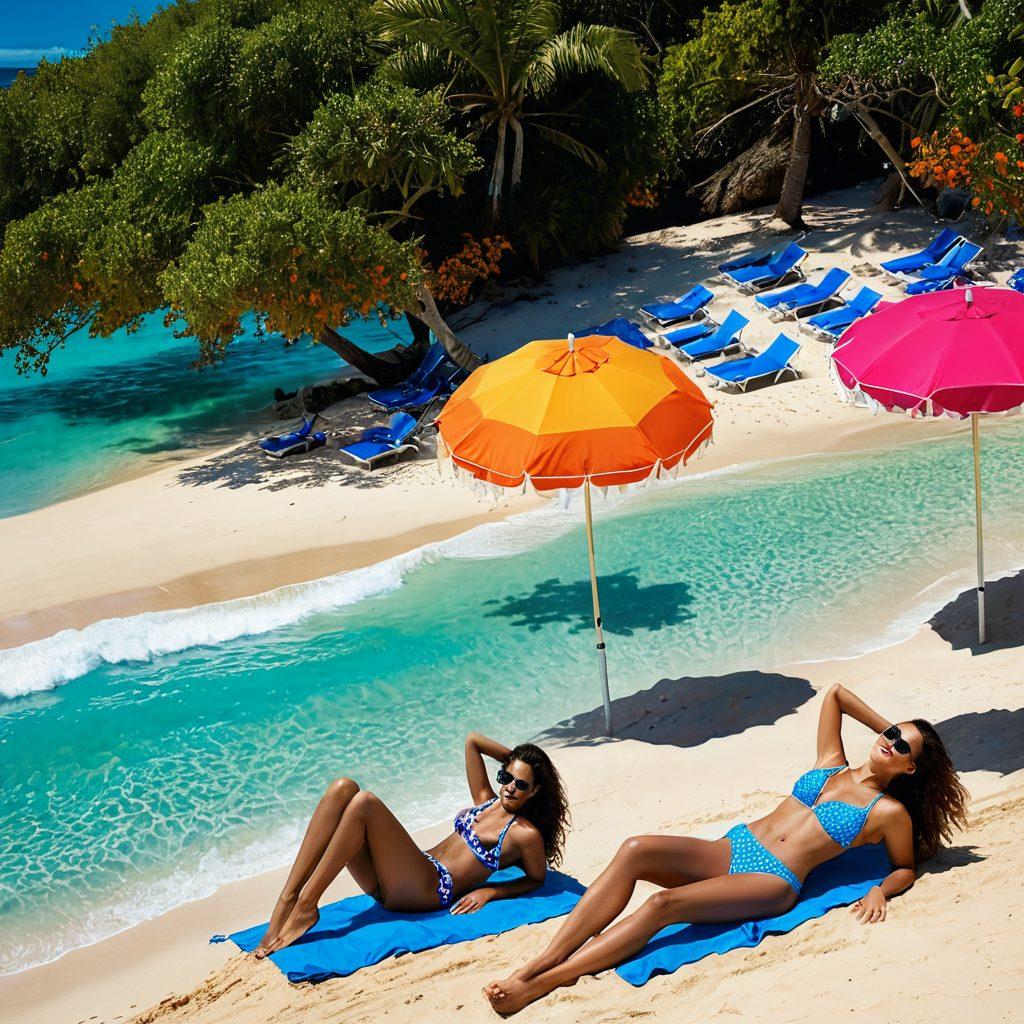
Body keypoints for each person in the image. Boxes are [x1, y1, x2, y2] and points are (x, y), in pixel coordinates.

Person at [484, 684, 968, 1014]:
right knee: (634, 848)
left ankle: (547, 981)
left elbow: (904, 867)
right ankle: (542, 960)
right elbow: (836, 694)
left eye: (902, 749)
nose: (889, 743)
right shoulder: (831, 760)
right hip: (736, 847)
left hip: (773, 879)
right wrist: (895, 732)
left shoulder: (887, 811)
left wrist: (881, 890)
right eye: (890, 734)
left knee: (662, 905)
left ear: (911, 769)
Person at [254, 732, 570, 957]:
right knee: (343, 788)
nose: (510, 787)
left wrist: (490, 891)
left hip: (428, 889)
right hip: (400, 878)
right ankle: (289, 899)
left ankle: (307, 905)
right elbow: (472, 741)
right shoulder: (485, 801)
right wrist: (518, 761)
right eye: (506, 778)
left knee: (365, 803)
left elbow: (536, 879)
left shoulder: (523, 833)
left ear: (535, 791)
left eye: (521, 785)